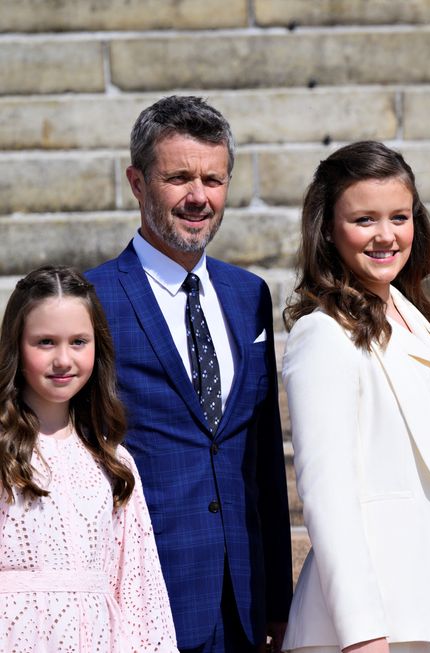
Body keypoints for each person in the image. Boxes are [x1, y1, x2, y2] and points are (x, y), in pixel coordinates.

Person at [280, 141, 430, 653]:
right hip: (373, 627)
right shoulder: (322, 333)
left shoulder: (418, 318)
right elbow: (327, 497)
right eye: (364, 219)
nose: (386, 236)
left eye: (399, 217)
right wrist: (363, 635)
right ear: (329, 229)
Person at [86, 95, 292, 653]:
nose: (198, 197)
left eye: (213, 179)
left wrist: (278, 600)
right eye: (178, 178)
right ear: (136, 181)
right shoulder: (91, 300)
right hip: (143, 596)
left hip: (246, 600)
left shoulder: (248, 295)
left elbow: (263, 457)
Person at [0, 265, 179, 652]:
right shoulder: (3, 455)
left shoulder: (114, 463)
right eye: (45, 342)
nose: (63, 359)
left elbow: (139, 590)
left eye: (78, 342)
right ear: (16, 345)